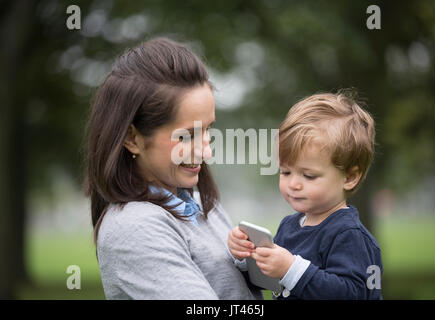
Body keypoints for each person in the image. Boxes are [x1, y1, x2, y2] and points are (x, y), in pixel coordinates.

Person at [84, 37, 262, 300]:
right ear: (132, 139)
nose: (207, 151)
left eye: (208, 130)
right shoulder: (133, 227)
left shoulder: (203, 207)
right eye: (187, 136)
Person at [227, 91, 383, 299]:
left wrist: (290, 269)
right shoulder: (289, 227)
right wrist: (246, 257)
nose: (293, 184)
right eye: (285, 172)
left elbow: (351, 294)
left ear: (349, 177)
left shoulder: (349, 235)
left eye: (309, 175)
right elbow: (271, 282)